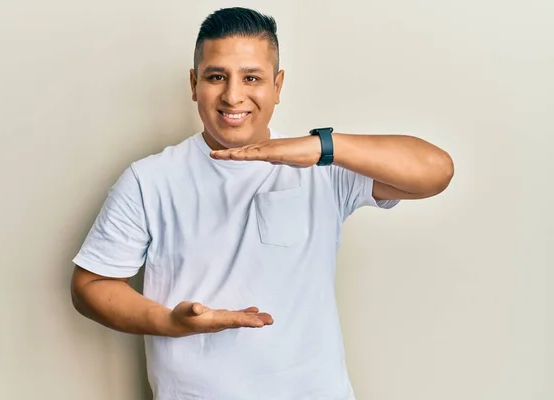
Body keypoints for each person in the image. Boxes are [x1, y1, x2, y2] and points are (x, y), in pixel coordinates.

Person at [70, 6, 454, 400]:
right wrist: (171, 321)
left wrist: (323, 146)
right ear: (193, 84)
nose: (233, 95)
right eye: (216, 76)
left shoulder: (324, 167)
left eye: (251, 77)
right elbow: (90, 285)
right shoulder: (149, 179)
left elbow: (435, 171)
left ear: (278, 85)